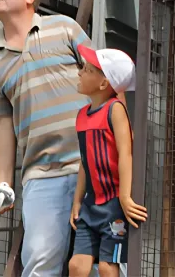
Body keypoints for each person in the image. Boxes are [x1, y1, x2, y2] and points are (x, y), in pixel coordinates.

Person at [0, 0, 93, 276]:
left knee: (101, 265)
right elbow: (0, 121)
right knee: (40, 266)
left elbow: (106, 80)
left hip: (91, 165)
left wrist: (116, 151)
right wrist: (3, 181)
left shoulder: (65, 28)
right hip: (41, 175)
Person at [68, 46, 148, 277]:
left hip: (113, 206)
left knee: (107, 267)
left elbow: (126, 153)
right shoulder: (81, 115)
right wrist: (77, 200)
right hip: (90, 205)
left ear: (104, 83)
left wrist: (124, 197)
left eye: (87, 70)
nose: (80, 72)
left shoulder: (115, 109)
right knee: (76, 266)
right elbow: (85, 160)